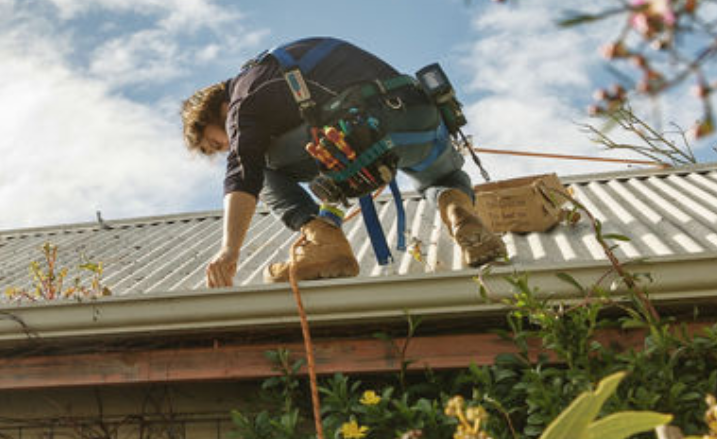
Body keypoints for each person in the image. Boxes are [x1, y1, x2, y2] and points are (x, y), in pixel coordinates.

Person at [180, 36, 507, 287]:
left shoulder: (243, 98)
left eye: (214, 142)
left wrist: (229, 252)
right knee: (444, 179)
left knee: (258, 163)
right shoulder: (286, 59)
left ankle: (326, 245)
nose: (225, 146)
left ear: (217, 110)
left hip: (364, 131)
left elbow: (242, 169)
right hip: (421, 119)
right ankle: (461, 217)